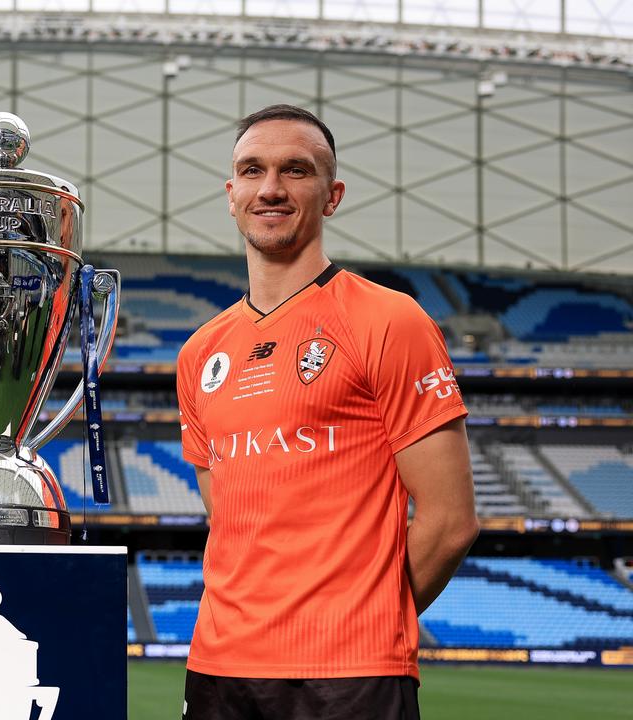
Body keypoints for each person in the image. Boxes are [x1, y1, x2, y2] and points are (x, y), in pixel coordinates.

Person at [176, 105, 479, 719]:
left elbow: (450, 521)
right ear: (230, 194)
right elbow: (227, 514)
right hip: (218, 669)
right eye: (252, 170)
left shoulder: (390, 321)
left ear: (332, 195)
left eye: (297, 170)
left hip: (350, 677)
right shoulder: (199, 353)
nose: (271, 188)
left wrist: (364, 624)